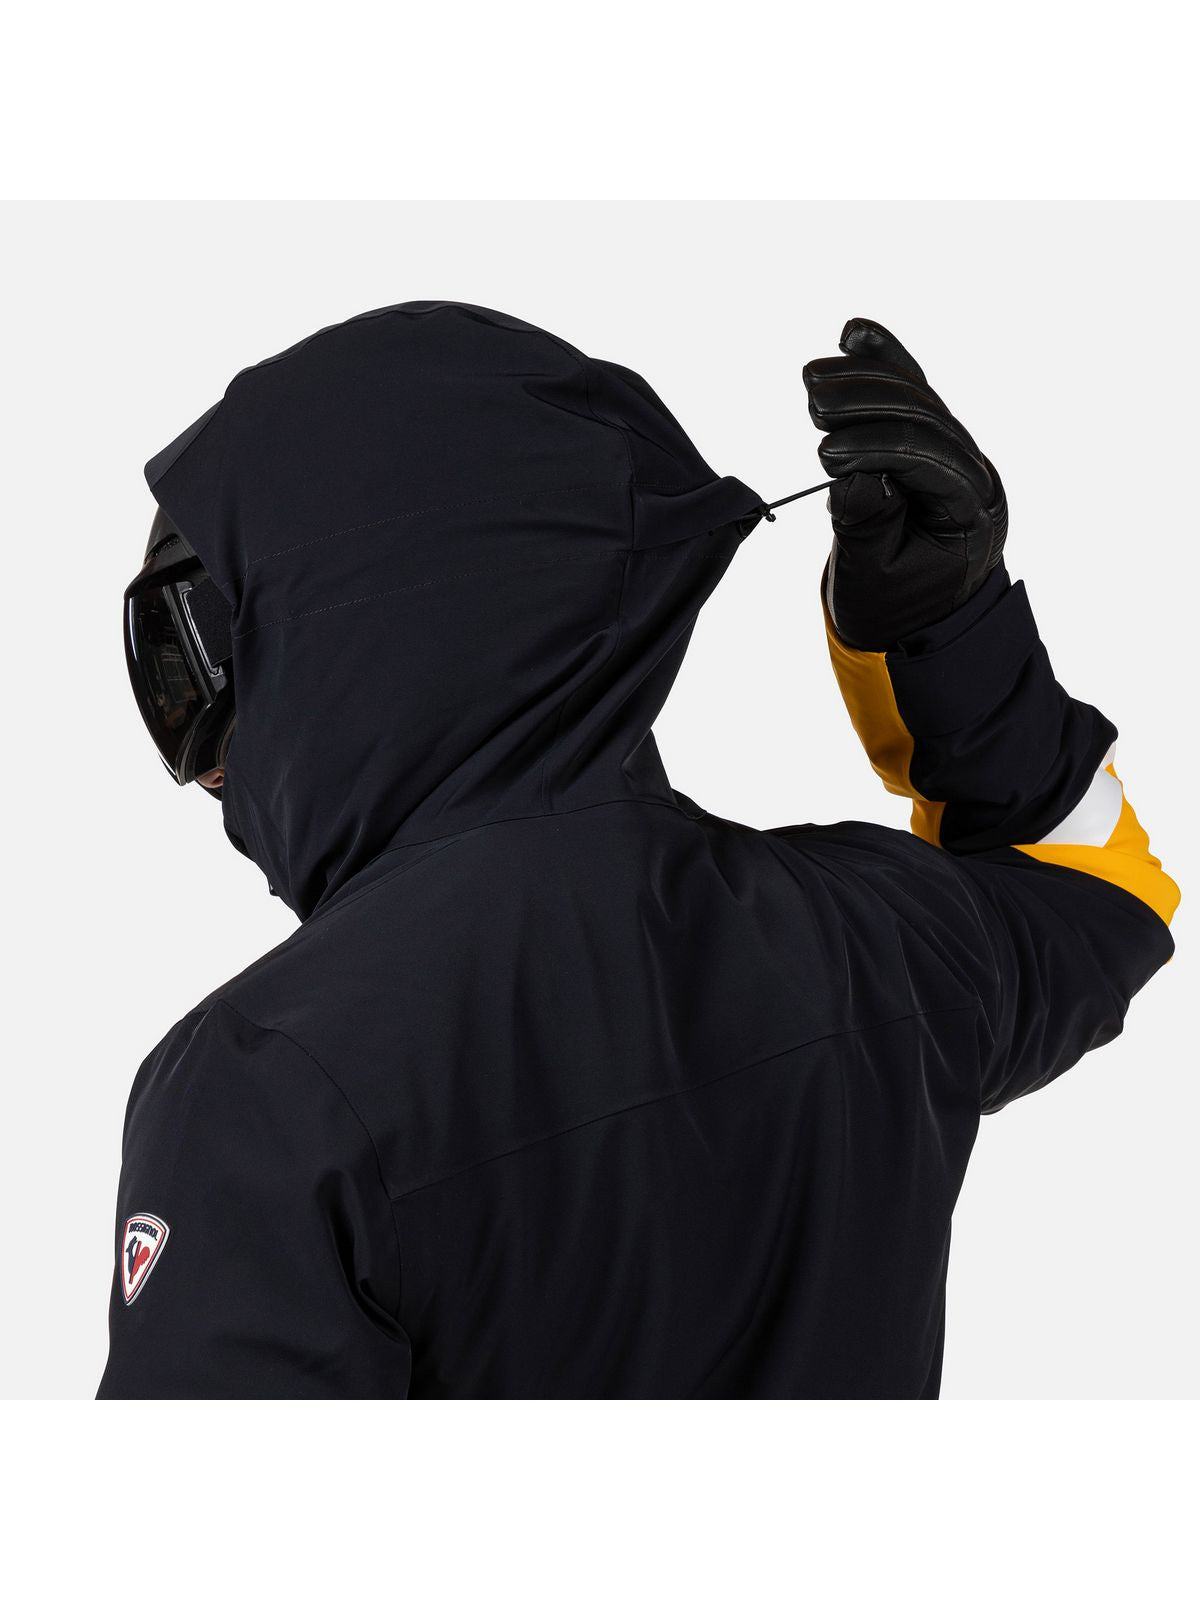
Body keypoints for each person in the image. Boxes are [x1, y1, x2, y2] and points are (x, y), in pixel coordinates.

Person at [99, 302, 1177, 1398]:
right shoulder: (873, 945)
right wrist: (944, 628)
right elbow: (1098, 888)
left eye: (201, 660)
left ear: (349, 618)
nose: (207, 760)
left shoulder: (267, 1093)